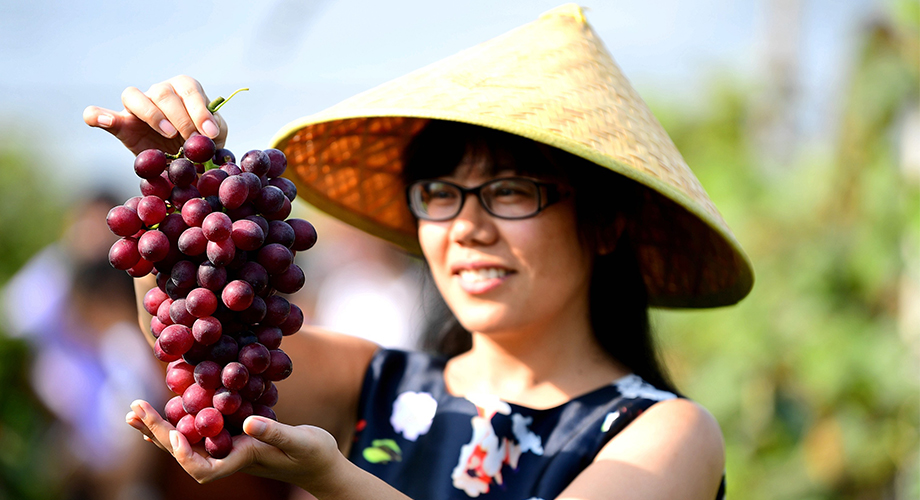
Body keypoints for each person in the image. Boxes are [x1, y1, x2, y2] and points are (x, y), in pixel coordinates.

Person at [83, 5, 754, 499]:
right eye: (440, 193)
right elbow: (201, 344)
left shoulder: (663, 435)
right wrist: (175, 198)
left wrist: (333, 479)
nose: (467, 226)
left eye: (511, 191)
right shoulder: (376, 386)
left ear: (605, 226)